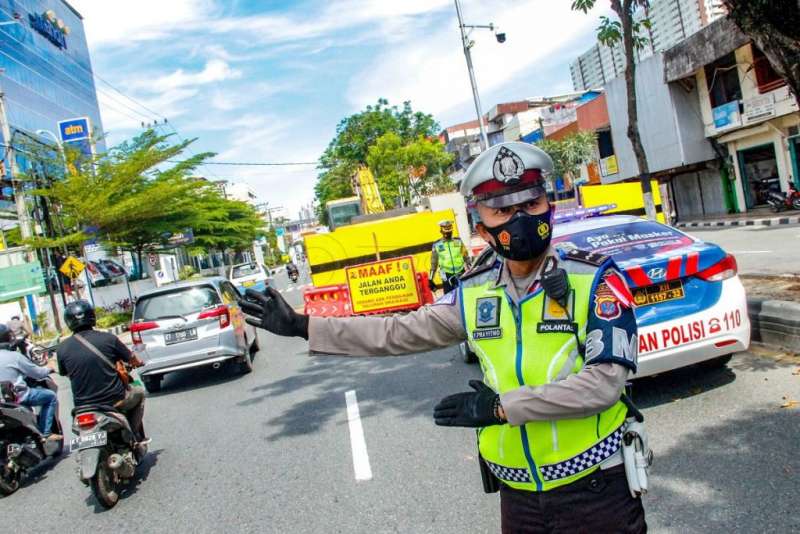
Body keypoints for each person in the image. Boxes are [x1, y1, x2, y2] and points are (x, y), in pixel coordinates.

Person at [241, 142, 646, 533]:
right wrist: (304, 325)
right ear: (482, 225)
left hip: (595, 489)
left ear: (550, 206)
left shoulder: (593, 278)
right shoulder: (474, 292)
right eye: (502, 209)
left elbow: (604, 385)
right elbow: (397, 332)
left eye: (530, 203)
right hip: (518, 497)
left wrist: (503, 408)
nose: (519, 218)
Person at [57, 300, 148, 444]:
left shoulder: (62, 348)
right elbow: (132, 359)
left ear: (68, 322)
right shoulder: (109, 339)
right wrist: (138, 362)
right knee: (140, 393)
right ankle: (135, 435)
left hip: (82, 406)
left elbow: (65, 373)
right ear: (92, 316)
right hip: (114, 400)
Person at [0, 324, 61, 439]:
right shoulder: (14, 356)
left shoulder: (21, 350)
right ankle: (46, 434)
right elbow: (38, 373)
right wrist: (50, 368)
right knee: (50, 396)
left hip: (2, 403)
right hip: (18, 398)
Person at [429, 220, 471, 294]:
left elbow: (466, 257)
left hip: (460, 272)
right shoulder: (437, 244)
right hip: (446, 275)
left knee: (465, 294)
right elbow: (434, 262)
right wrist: (430, 279)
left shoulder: (458, 241)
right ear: (441, 231)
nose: (448, 233)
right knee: (449, 297)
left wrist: (471, 269)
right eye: (446, 231)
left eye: (450, 231)